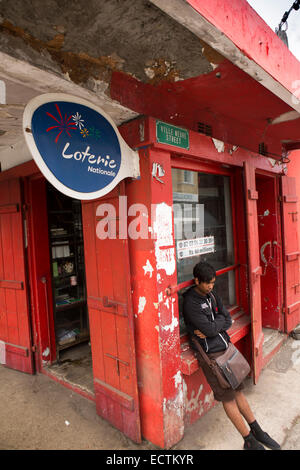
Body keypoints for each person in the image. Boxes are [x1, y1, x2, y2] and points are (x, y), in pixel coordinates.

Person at [182, 261, 281, 450]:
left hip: (225, 347)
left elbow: (227, 319)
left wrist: (215, 326)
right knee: (227, 397)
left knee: (238, 390)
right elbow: (211, 327)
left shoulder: (211, 295)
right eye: (207, 283)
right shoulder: (191, 303)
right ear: (197, 281)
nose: (211, 286)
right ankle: (248, 440)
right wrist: (215, 326)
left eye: (213, 283)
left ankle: (257, 430)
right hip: (210, 355)